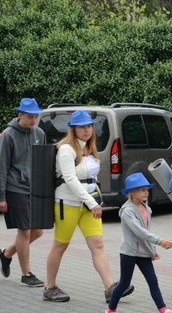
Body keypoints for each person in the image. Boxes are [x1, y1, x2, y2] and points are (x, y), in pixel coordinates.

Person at [43, 110, 117, 303]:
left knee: (98, 244)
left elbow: (90, 176)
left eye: (89, 126)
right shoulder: (66, 149)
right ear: (73, 129)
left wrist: (94, 199)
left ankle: (110, 287)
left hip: (88, 204)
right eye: (82, 126)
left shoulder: (88, 148)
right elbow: (70, 179)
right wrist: (92, 202)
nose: (87, 130)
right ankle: (50, 287)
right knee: (60, 246)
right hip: (67, 203)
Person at [104, 173, 172, 313]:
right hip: (129, 253)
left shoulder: (147, 209)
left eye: (147, 189)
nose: (146, 193)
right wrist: (159, 241)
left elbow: (145, 230)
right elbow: (139, 231)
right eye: (142, 190)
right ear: (131, 192)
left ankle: (163, 311)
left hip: (143, 253)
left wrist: (152, 249)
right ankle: (110, 312)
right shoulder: (128, 211)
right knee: (124, 284)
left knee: (153, 281)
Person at [0, 98, 46, 288]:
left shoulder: (39, 133)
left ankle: (6, 254)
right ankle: (26, 274)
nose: (33, 120)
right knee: (24, 230)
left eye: (36, 116)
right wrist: (0, 196)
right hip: (15, 187)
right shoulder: (8, 135)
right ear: (20, 115)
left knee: (38, 231)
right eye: (30, 116)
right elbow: (2, 166)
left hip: (35, 189)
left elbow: (43, 162)